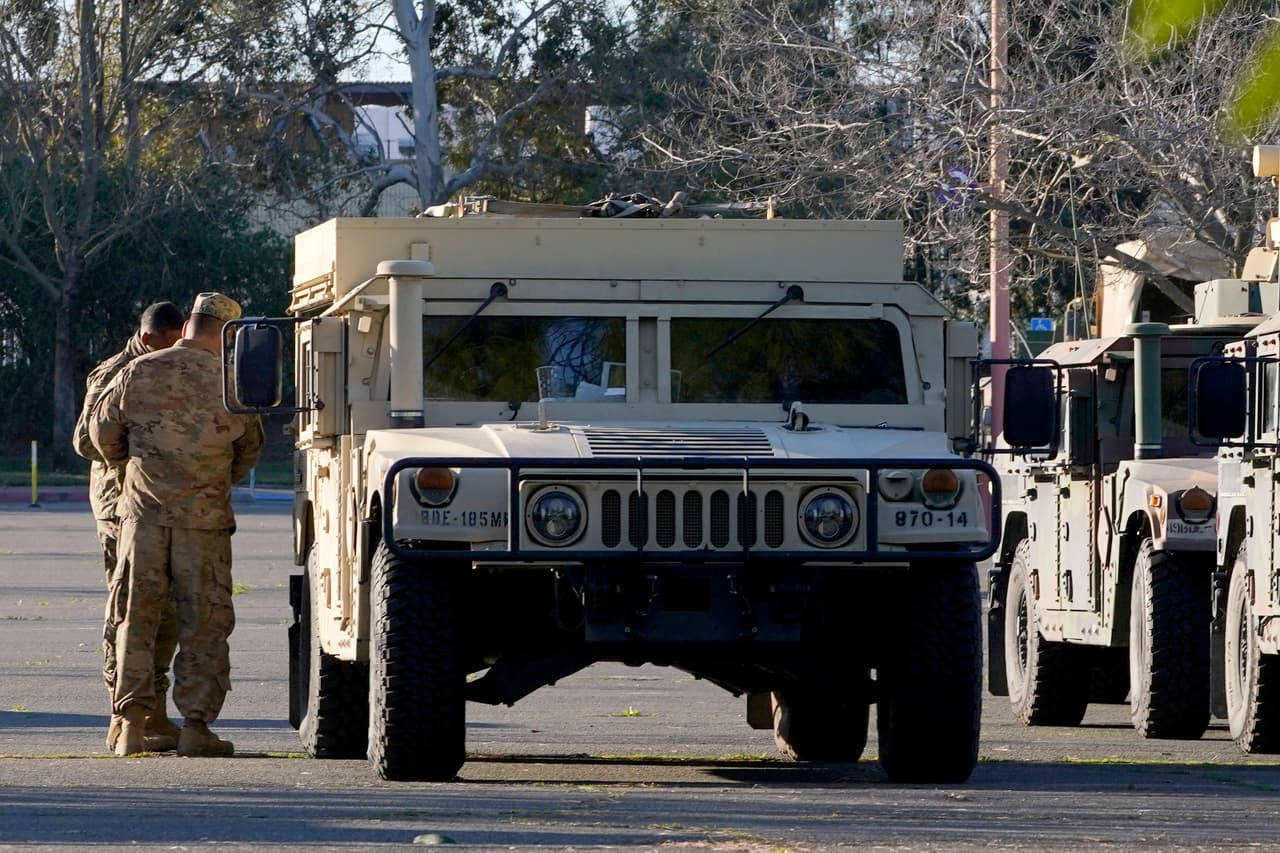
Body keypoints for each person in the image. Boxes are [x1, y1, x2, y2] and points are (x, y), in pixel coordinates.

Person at [89, 292, 264, 757]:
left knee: (135, 618)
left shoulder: (137, 370)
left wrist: (138, 468)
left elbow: (101, 436)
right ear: (227, 336)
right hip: (203, 526)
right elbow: (248, 451)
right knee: (203, 622)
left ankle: (129, 724)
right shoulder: (233, 383)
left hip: (142, 519)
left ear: (187, 325)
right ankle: (196, 727)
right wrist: (208, 478)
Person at [73, 301, 185, 752]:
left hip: (159, 504)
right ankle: (121, 715)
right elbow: (86, 441)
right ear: (151, 336)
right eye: (171, 341)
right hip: (119, 505)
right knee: (129, 607)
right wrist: (137, 452)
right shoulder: (115, 372)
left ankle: (153, 707)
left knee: (169, 608)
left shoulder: (171, 367)